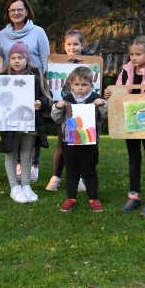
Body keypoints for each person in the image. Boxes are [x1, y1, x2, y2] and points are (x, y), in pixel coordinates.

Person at [104, 36, 145, 217]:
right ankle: (133, 195)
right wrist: (109, 94)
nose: (133, 58)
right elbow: (117, 96)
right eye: (131, 54)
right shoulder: (125, 74)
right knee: (134, 159)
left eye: (138, 54)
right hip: (129, 125)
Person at [0, 0, 51, 182]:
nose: (16, 13)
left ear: (27, 11)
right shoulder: (2, 35)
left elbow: (46, 60)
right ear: (8, 13)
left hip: (33, 85)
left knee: (31, 125)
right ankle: (17, 166)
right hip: (10, 88)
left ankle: (33, 164)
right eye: (12, 10)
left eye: (20, 9)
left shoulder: (38, 32)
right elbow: (0, 61)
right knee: (14, 126)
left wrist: (44, 85)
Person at [0, 41, 51, 203]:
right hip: (10, 123)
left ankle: (26, 186)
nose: (17, 61)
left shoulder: (36, 75)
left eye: (20, 57)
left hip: (30, 122)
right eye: (13, 57)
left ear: (27, 59)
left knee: (26, 154)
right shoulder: (2, 77)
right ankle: (14, 187)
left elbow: (47, 96)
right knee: (11, 153)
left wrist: (41, 103)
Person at [51, 67, 107, 212]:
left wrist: (102, 105)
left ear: (91, 85)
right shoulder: (66, 100)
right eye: (77, 85)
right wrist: (57, 107)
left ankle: (93, 198)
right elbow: (56, 119)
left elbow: (105, 117)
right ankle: (71, 198)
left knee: (89, 170)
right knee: (72, 170)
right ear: (71, 84)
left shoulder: (96, 99)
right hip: (69, 142)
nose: (80, 88)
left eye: (84, 85)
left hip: (90, 142)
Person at [46, 29, 90, 193]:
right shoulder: (58, 63)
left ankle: (78, 177)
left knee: (78, 143)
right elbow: (57, 89)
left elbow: (94, 83)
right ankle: (56, 176)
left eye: (76, 44)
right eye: (69, 44)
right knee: (62, 144)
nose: (73, 47)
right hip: (64, 111)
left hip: (84, 110)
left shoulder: (89, 62)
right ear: (64, 46)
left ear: (82, 45)